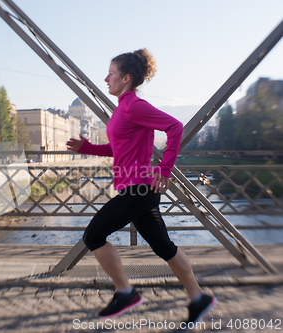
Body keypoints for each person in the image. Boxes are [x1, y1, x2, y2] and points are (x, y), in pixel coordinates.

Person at [66, 49, 216, 323]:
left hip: (139, 189)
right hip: (136, 190)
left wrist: (165, 167)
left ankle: (126, 292)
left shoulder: (134, 106)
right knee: (164, 248)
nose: (105, 78)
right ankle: (199, 298)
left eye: (110, 74)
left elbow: (175, 127)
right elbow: (118, 149)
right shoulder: (122, 109)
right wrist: (87, 147)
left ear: (125, 78)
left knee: (93, 236)